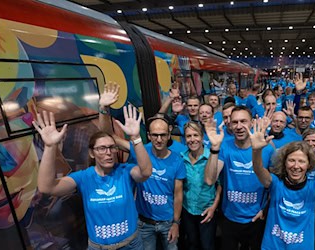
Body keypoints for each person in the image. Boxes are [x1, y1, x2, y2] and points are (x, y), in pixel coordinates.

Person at [33, 104, 152, 249]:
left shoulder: (125, 171)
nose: (108, 152)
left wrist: (135, 137)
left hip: (131, 245)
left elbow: (146, 172)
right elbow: (47, 187)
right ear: (92, 153)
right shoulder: (84, 177)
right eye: (102, 148)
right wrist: (50, 147)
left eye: (111, 147)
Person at [99, 83, 186, 250]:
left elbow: (178, 194)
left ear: (169, 135)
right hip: (144, 223)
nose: (159, 139)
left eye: (162, 135)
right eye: (155, 135)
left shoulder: (177, 161)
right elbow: (108, 137)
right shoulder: (140, 150)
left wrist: (176, 223)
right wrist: (103, 108)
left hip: (168, 222)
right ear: (149, 136)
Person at [249, 118, 315, 249]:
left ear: (309, 165)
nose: (296, 166)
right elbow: (258, 169)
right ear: (284, 163)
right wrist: (256, 151)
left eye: (301, 161)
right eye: (291, 160)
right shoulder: (275, 184)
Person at [204, 106, 275, 250]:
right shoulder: (224, 147)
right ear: (229, 124)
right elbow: (210, 180)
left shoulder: (267, 149)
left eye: (243, 121)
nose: (239, 126)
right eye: (235, 122)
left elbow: (274, 185)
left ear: (252, 123)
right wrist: (215, 147)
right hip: (230, 218)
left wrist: (265, 209)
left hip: (256, 218)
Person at [181, 121, 222, 250]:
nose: (192, 139)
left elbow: (220, 185)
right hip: (187, 209)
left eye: (196, 135)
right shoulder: (181, 158)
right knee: (192, 243)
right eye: (189, 136)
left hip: (206, 210)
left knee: (207, 245)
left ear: (202, 137)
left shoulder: (212, 156)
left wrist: (214, 207)